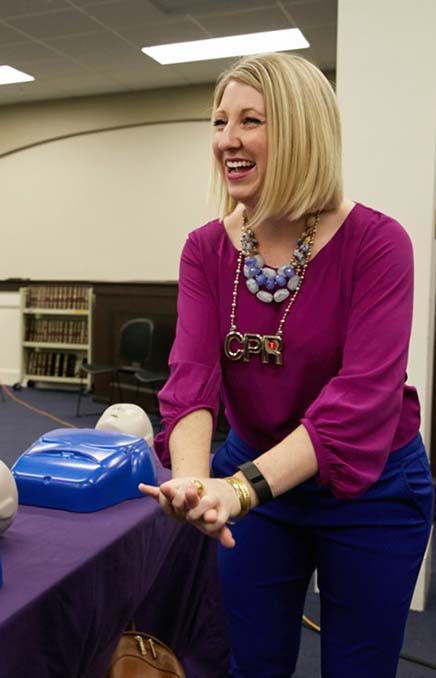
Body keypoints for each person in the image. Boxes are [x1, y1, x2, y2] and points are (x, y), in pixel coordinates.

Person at [138, 53, 433, 677]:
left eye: (251, 121)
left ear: (301, 131)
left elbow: (358, 401)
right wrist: (195, 483)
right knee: (254, 663)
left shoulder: (379, 244)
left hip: (370, 487)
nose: (228, 140)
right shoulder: (205, 248)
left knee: (358, 668)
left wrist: (239, 488)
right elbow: (191, 379)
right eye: (220, 122)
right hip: (253, 481)